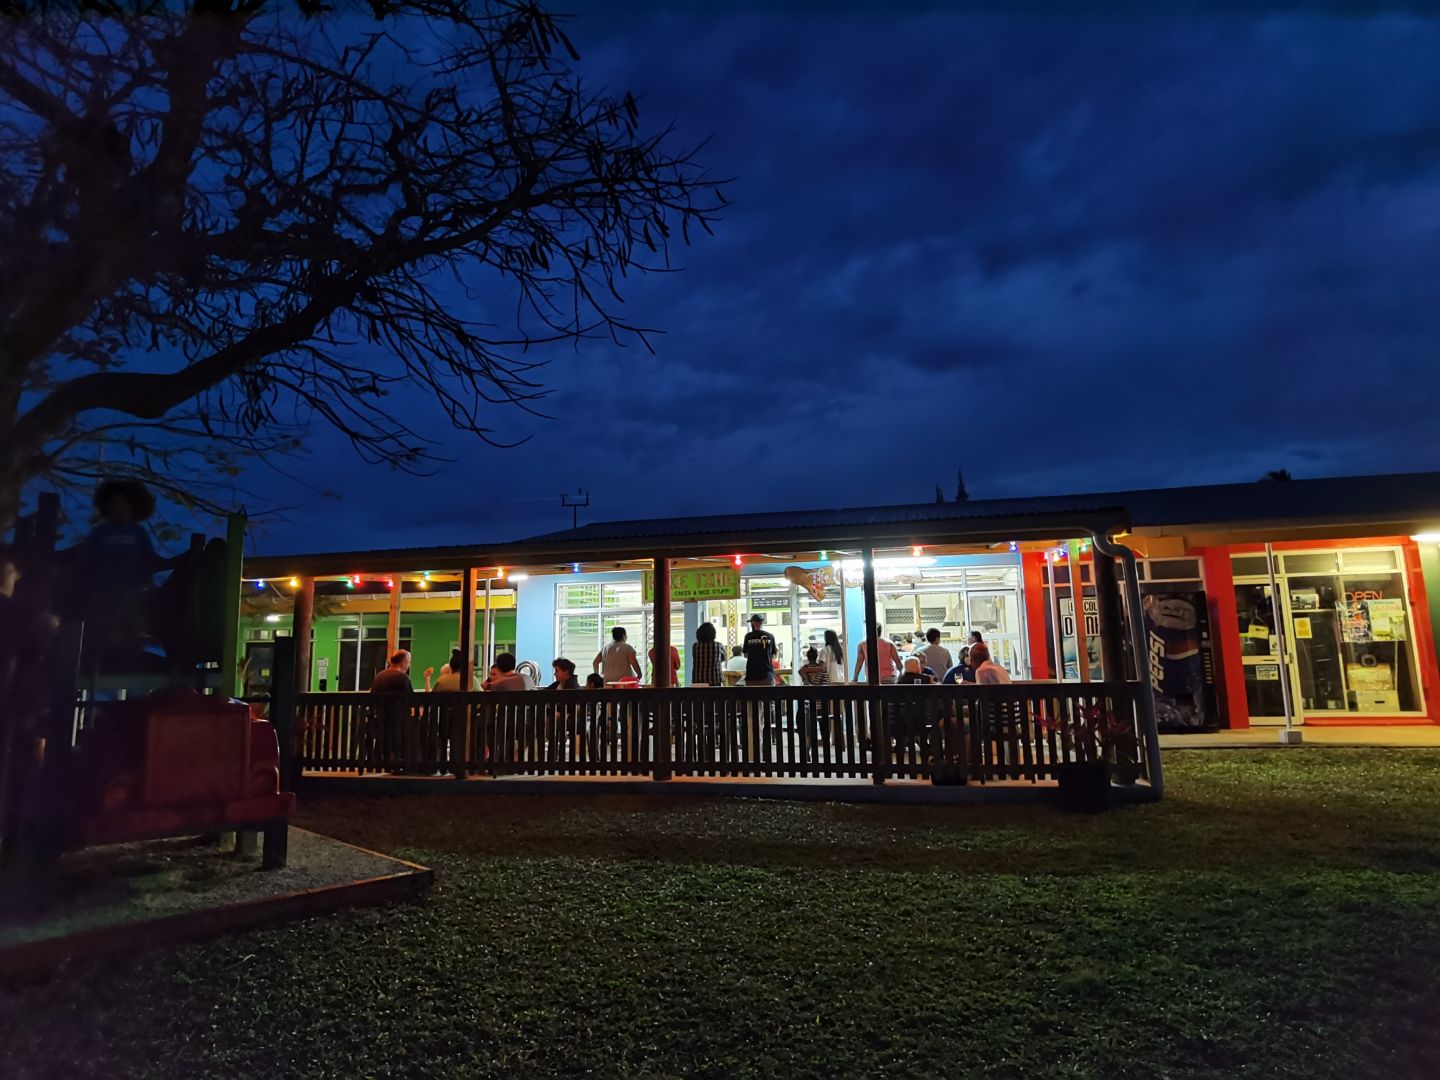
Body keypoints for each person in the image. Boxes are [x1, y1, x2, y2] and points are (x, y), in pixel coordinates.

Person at [742, 614, 777, 686]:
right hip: (767, 674)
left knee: (753, 696)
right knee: (768, 696)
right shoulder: (770, 636)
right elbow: (773, 656)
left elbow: (745, 655)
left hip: (751, 675)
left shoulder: (748, 636)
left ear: (753, 623)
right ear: (762, 623)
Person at [691, 621, 727, 687]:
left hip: (697, 682)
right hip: (714, 682)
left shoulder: (695, 646)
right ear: (713, 634)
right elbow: (724, 658)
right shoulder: (719, 645)